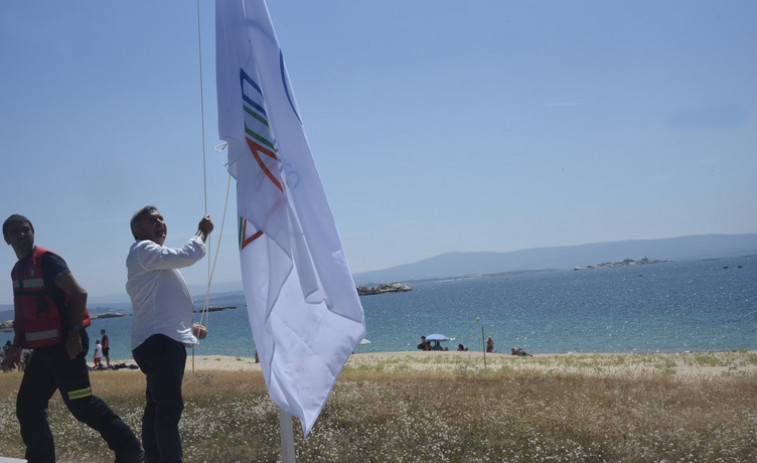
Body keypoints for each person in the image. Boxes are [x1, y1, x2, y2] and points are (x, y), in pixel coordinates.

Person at [2, 214, 143, 463]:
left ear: (33, 232)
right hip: (44, 352)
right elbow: (23, 313)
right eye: (15, 232)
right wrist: (17, 345)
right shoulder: (17, 271)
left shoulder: (47, 260)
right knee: (28, 406)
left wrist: (75, 333)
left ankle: (130, 449)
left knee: (81, 404)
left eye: (25, 229)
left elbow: (79, 294)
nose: (21, 235)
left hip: (67, 345)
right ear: (6, 239)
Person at [126, 206, 212, 463]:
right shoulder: (144, 249)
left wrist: (189, 327)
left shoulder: (151, 260)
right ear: (138, 231)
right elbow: (189, 254)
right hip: (160, 342)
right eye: (153, 220)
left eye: (161, 218)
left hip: (157, 339)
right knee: (168, 408)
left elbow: (158, 304)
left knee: (156, 406)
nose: (160, 223)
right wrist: (202, 232)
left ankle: (153, 457)